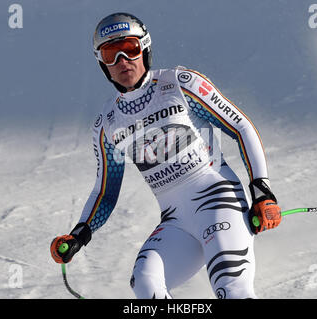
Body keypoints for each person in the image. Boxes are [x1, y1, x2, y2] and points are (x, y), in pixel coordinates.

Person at [50, 12, 282, 299]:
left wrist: (262, 191)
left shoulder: (181, 84)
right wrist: (79, 234)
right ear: (102, 65)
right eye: (111, 53)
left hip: (220, 202)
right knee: (146, 283)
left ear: (145, 49)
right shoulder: (107, 123)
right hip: (176, 222)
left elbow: (240, 127)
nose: (123, 60)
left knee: (233, 289)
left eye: (131, 48)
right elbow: (106, 192)